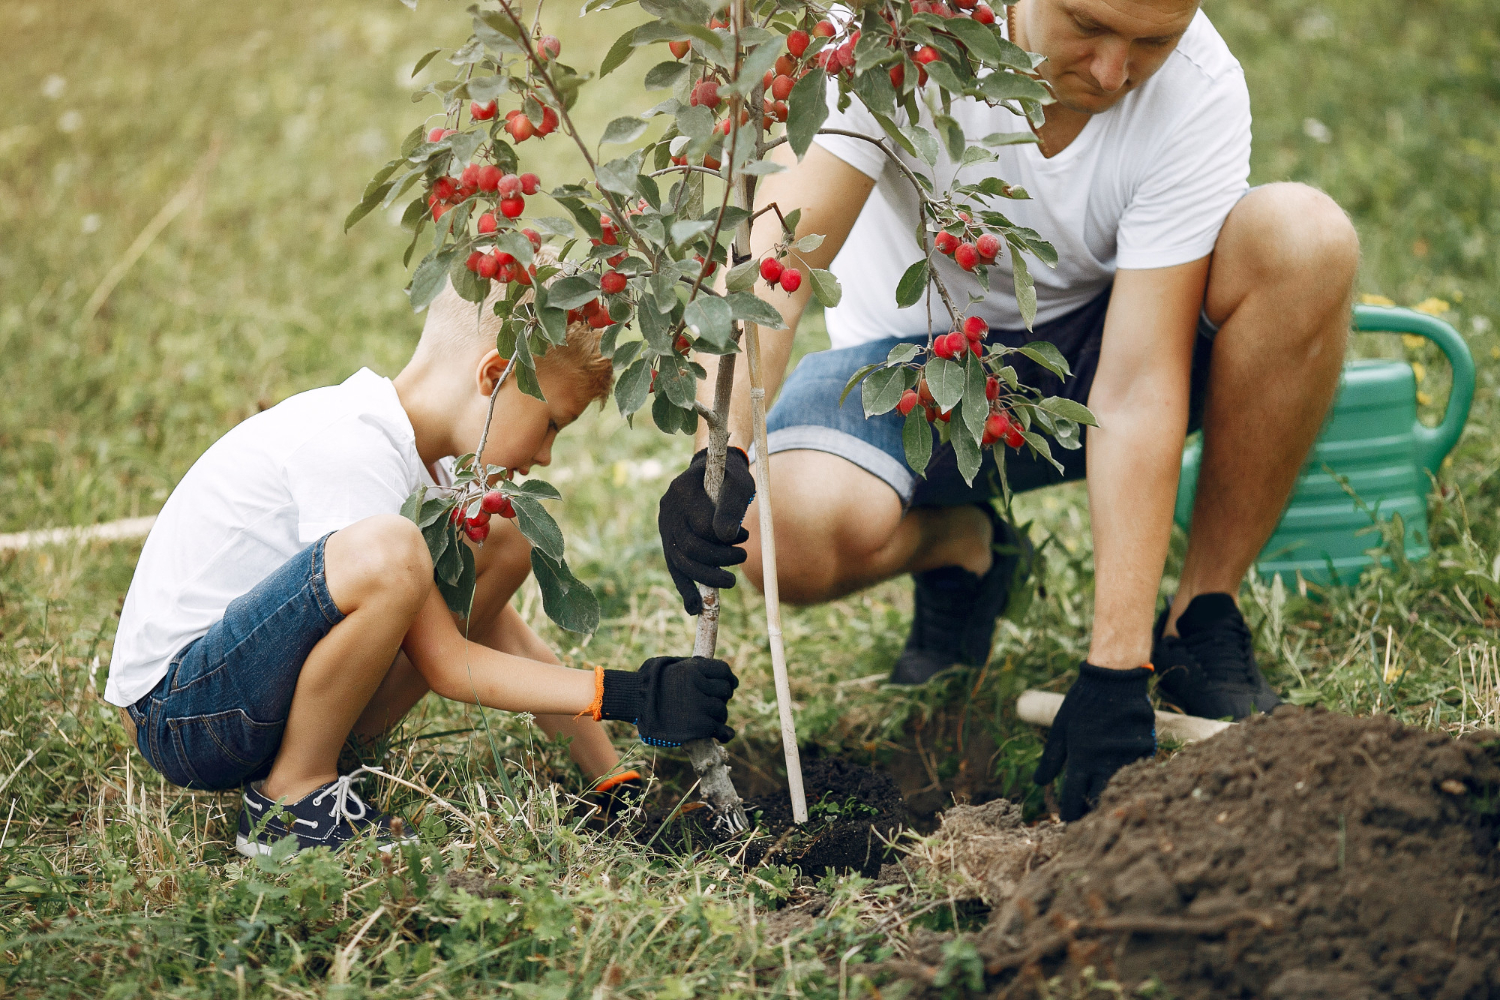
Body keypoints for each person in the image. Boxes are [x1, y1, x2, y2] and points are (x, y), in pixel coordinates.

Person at [656, 0, 1358, 820]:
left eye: (1151, 42)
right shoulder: (890, 38)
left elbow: (1135, 388)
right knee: (779, 538)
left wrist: (1116, 669)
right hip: (911, 371)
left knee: (1305, 237)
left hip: (1101, 356)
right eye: (1086, 26)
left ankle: (1201, 611)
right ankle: (965, 546)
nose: (1112, 72)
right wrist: (723, 451)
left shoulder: (1199, 88)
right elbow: (772, 266)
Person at [107, 281, 738, 856]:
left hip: (248, 699)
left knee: (501, 544)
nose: (545, 454)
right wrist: (629, 694)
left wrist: (608, 776)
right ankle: (289, 805)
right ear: (492, 376)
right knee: (394, 554)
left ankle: (313, 759)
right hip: (185, 713)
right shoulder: (353, 443)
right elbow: (446, 661)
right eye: (550, 425)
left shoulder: (430, 475)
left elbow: (496, 630)